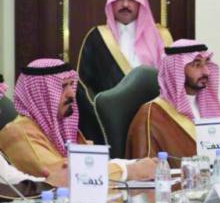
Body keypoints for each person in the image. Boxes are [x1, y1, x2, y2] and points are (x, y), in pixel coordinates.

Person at [0, 59, 155, 185]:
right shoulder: (18, 133)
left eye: (71, 85)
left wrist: (136, 163)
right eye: (62, 87)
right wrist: (131, 171)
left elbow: (91, 165)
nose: (71, 94)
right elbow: (66, 178)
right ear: (40, 94)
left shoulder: (61, 127)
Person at [76, 0, 173, 140]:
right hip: (109, 123)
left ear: (140, 2)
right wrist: (100, 114)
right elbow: (83, 85)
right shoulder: (97, 37)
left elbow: (173, 82)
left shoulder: (161, 37)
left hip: (152, 120)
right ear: (111, 2)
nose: (125, 4)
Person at [126, 40, 220, 164]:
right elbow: (145, 169)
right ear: (176, 71)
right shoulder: (151, 115)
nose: (206, 71)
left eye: (206, 63)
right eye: (197, 65)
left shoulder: (212, 109)